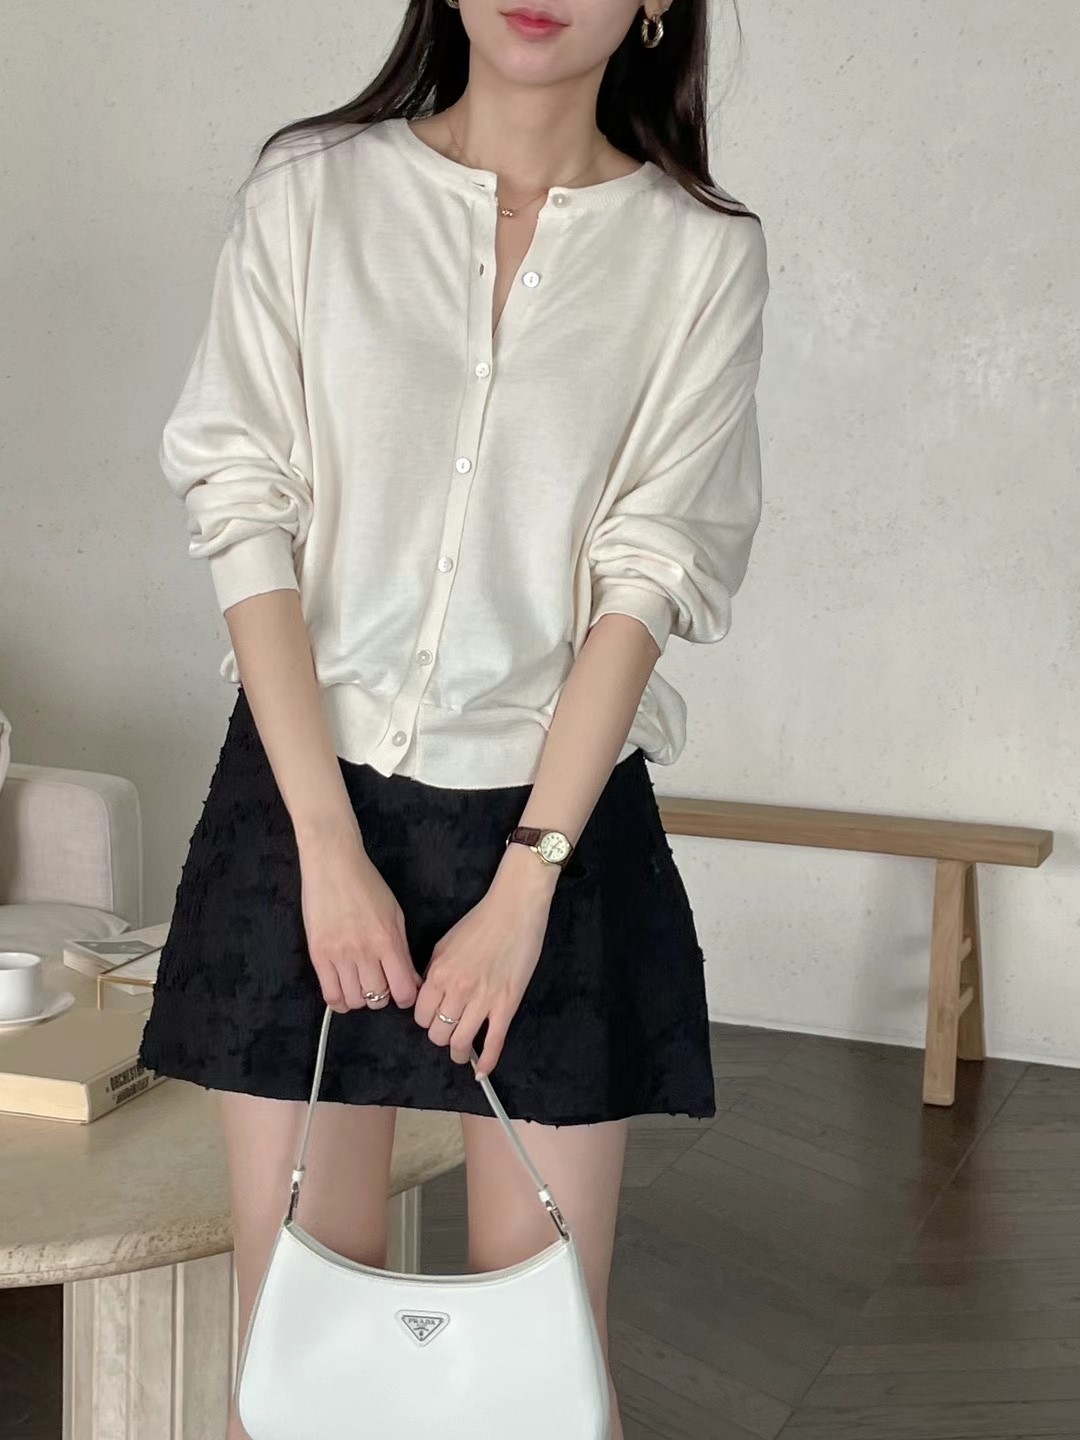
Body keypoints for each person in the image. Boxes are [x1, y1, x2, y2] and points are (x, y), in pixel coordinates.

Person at [139, 0, 768, 1434]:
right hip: (307, 805)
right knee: (298, 1364)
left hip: (549, 820)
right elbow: (243, 503)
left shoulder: (698, 254)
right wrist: (324, 845)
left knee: (545, 1378)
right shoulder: (312, 194)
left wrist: (528, 882)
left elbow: (647, 574)